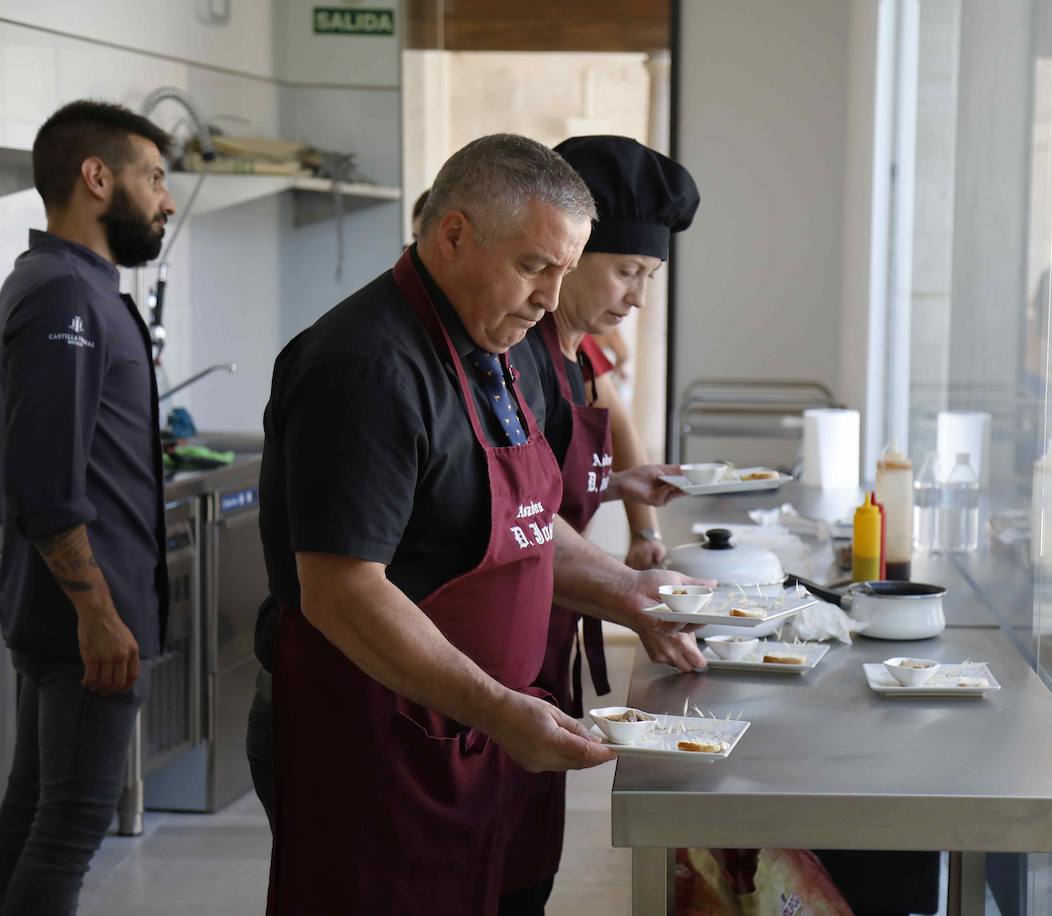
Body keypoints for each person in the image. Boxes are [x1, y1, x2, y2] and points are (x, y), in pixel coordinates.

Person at [256, 134, 706, 915]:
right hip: (386, 748)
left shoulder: (496, 345)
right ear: (452, 233)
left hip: (480, 736)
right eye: (535, 266)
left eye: (563, 273)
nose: (547, 298)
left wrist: (630, 590)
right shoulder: (368, 366)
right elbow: (341, 591)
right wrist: (497, 708)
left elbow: (524, 522)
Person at [501, 135, 700, 900]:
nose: (637, 296)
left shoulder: (577, 355)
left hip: (539, 647)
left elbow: (543, 498)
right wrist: (630, 588)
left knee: (523, 870)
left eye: (647, 276)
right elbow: (515, 518)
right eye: (626, 271)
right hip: (490, 660)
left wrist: (628, 497)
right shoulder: (513, 359)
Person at [0, 100, 175, 916]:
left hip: (75, 614)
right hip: (84, 622)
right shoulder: (63, 295)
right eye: (154, 177)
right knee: (70, 825)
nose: (166, 200)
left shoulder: (86, 289)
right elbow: (44, 479)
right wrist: (98, 612)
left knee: (36, 809)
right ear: (96, 178)